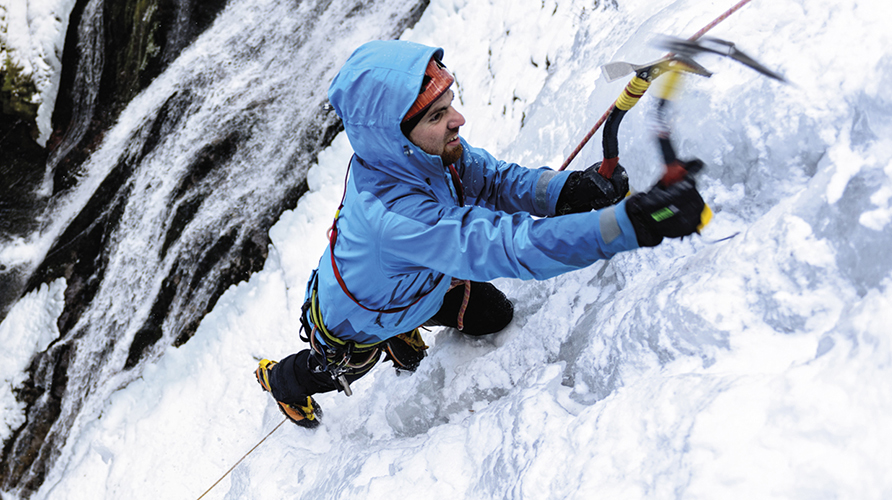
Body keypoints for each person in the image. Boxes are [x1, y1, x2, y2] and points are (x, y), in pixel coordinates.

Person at [255, 39, 708, 428]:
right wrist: (631, 224)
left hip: (419, 284)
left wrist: (565, 190)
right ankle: (280, 382)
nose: (458, 120)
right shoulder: (394, 217)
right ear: (396, 135)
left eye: (449, 103)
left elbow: (492, 181)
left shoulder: (425, 153)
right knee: (335, 369)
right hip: (357, 321)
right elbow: (510, 246)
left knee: (494, 316)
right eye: (438, 115)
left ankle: (402, 333)